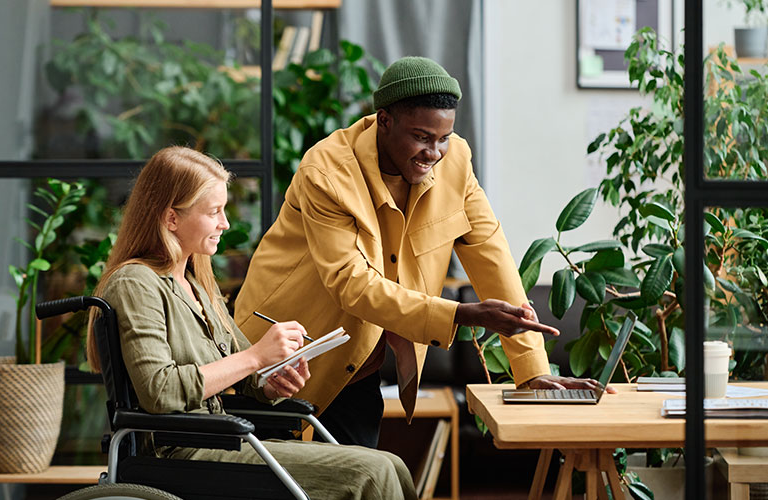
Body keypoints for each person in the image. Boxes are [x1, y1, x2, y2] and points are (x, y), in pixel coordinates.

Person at [234, 56, 610, 448]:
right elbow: (351, 284)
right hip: (275, 359)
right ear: (385, 121)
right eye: (421, 137)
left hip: (355, 366)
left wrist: (531, 369)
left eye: (443, 138)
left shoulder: (456, 162)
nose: (433, 152)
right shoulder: (327, 172)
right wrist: (460, 314)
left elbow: (490, 254)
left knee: (362, 484)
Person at [85, 146, 417, 500]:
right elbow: (160, 391)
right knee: (374, 472)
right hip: (181, 451)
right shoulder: (136, 283)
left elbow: (247, 373)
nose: (224, 223)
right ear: (171, 219)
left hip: (222, 439)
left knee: (391, 464)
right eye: (214, 211)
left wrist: (272, 381)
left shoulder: (197, 285)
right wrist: (257, 357)